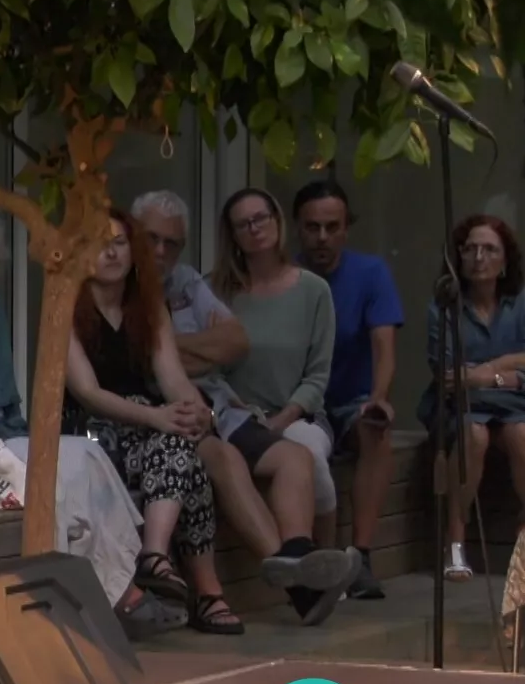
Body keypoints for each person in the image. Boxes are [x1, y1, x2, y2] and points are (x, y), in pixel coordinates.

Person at [0, 202, 184, 639]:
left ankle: (121, 581)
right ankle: (106, 599)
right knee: (53, 482)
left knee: (86, 456)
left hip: (1, 435)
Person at [131, 191, 358, 625]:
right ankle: (301, 588)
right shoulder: (122, 287)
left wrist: (163, 346)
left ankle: (296, 551)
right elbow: (140, 362)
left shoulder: (187, 283)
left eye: (172, 243)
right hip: (174, 415)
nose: (161, 252)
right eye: (151, 239)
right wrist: (192, 351)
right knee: (227, 458)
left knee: (295, 457)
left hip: (221, 406)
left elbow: (236, 343)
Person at [64, 210, 241, 635]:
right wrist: (159, 416)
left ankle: (154, 558)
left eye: (120, 242)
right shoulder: (65, 306)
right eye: (98, 243)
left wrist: (196, 410)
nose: (110, 251)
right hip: (89, 432)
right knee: (184, 456)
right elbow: (87, 392)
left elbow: (173, 377)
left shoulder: (147, 305)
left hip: (145, 423)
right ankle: (206, 590)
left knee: (183, 449)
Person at [211, 188, 345, 544]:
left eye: (261, 218)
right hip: (233, 417)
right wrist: (238, 411)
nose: (254, 228)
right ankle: (294, 564)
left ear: (277, 221)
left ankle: (328, 561)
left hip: (297, 415)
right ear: (233, 236)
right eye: (243, 224)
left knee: (309, 455)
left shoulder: (313, 290)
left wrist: (279, 420)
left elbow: (317, 375)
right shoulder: (217, 292)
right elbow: (208, 368)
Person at [294, 180, 401, 599]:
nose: (322, 237)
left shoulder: (370, 272)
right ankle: (317, 560)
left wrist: (378, 398)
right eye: (312, 227)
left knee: (377, 429)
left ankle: (360, 557)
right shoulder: (288, 274)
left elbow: (384, 347)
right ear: (297, 228)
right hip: (301, 401)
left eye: (331, 227)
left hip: (351, 400)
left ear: (346, 229)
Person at [417, 214, 525, 580]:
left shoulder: (521, 303)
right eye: (470, 249)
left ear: (504, 261)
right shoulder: (443, 308)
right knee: (474, 435)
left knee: (522, 434)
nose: (479, 257)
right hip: (459, 410)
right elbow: (448, 377)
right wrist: (506, 375)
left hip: (515, 409)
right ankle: (456, 543)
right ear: (458, 258)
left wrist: (484, 372)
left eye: (489, 249)